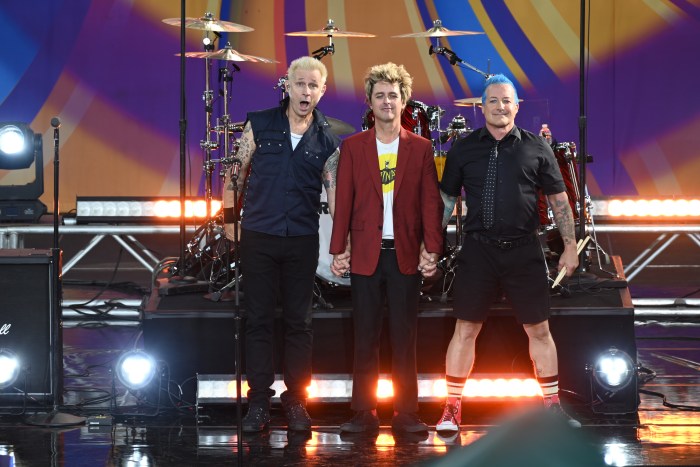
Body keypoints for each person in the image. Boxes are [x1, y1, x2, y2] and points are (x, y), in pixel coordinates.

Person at [435, 74, 581, 433]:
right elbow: (447, 201)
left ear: (517, 106)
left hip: (524, 251)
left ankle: (552, 409)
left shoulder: (537, 147)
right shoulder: (463, 149)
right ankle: (452, 409)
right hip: (479, 252)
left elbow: (560, 200)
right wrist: (429, 245)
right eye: (493, 101)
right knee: (465, 329)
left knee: (540, 331)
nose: (501, 106)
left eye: (507, 100)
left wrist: (570, 246)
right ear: (481, 107)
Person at [222, 56, 341, 433]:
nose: (305, 91)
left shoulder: (327, 140)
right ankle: (258, 402)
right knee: (257, 319)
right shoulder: (259, 123)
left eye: (313, 86)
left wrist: (342, 242)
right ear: (286, 85)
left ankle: (296, 402)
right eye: (299, 83)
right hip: (259, 235)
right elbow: (235, 173)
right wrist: (229, 220)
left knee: (299, 324)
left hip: (302, 241)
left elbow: (334, 193)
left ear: (322, 91)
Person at [329, 62, 444, 434]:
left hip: (406, 254)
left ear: (404, 100)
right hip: (365, 254)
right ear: (369, 102)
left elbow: (431, 203)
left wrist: (432, 250)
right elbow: (342, 201)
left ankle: (406, 414)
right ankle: (364, 413)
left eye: (393, 95)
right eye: (379, 95)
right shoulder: (352, 147)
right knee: (365, 337)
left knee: (404, 337)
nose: (386, 101)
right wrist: (338, 249)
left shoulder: (421, 148)